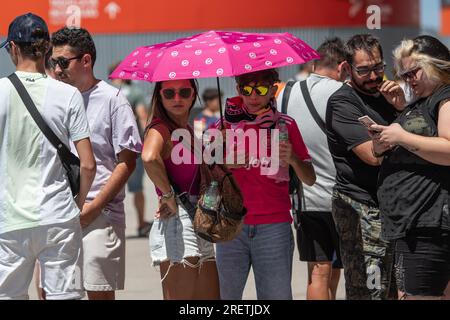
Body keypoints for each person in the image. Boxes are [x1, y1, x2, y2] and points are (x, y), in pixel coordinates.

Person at [0, 13, 96, 300]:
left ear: (14, 48)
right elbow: (88, 164)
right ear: (46, 49)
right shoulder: (67, 95)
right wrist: (76, 203)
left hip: (10, 219)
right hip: (59, 217)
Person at [51, 27, 142, 300]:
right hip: (57, 214)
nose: (56, 70)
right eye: (52, 62)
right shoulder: (53, 100)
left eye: (63, 62)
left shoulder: (113, 100)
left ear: (86, 61)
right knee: (56, 293)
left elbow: (127, 162)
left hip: (100, 215)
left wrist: (93, 208)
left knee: (98, 294)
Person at [215, 69, 316, 300]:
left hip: (274, 227)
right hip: (232, 226)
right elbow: (204, 177)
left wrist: (293, 160)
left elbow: (310, 178)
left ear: (273, 89)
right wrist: (223, 163)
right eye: (246, 89)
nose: (253, 96)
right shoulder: (222, 127)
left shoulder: (286, 125)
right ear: (238, 89)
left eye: (260, 89)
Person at [325, 34, 406, 300]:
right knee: (369, 290)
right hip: (362, 207)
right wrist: (405, 138)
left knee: (395, 288)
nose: (373, 76)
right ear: (347, 68)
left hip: (395, 206)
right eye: (364, 70)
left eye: (378, 67)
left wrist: (403, 108)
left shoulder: (391, 96)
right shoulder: (343, 103)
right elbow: (372, 155)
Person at [371, 35, 450, 299]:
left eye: (412, 72)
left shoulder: (445, 96)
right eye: (402, 75)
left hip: (429, 223)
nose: (408, 80)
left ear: (433, 65)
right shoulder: (426, 100)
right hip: (416, 223)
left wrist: (401, 137)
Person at [277, 37, 347, 300]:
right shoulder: (343, 93)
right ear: (343, 66)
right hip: (343, 197)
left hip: (306, 199)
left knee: (317, 272)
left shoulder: (285, 92)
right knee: (337, 268)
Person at [142, 79, 220, 300]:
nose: (177, 98)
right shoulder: (160, 128)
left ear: (193, 95)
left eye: (184, 92)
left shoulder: (185, 130)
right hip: (179, 220)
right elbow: (148, 157)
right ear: (160, 96)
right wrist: (167, 194)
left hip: (200, 217)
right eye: (169, 93)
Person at [109, 62, 151, 238]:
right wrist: (147, 140)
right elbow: (142, 116)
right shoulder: (135, 92)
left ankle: (110, 226)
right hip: (132, 148)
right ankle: (141, 223)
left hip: (110, 149)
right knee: (137, 188)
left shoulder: (106, 92)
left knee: (111, 188)